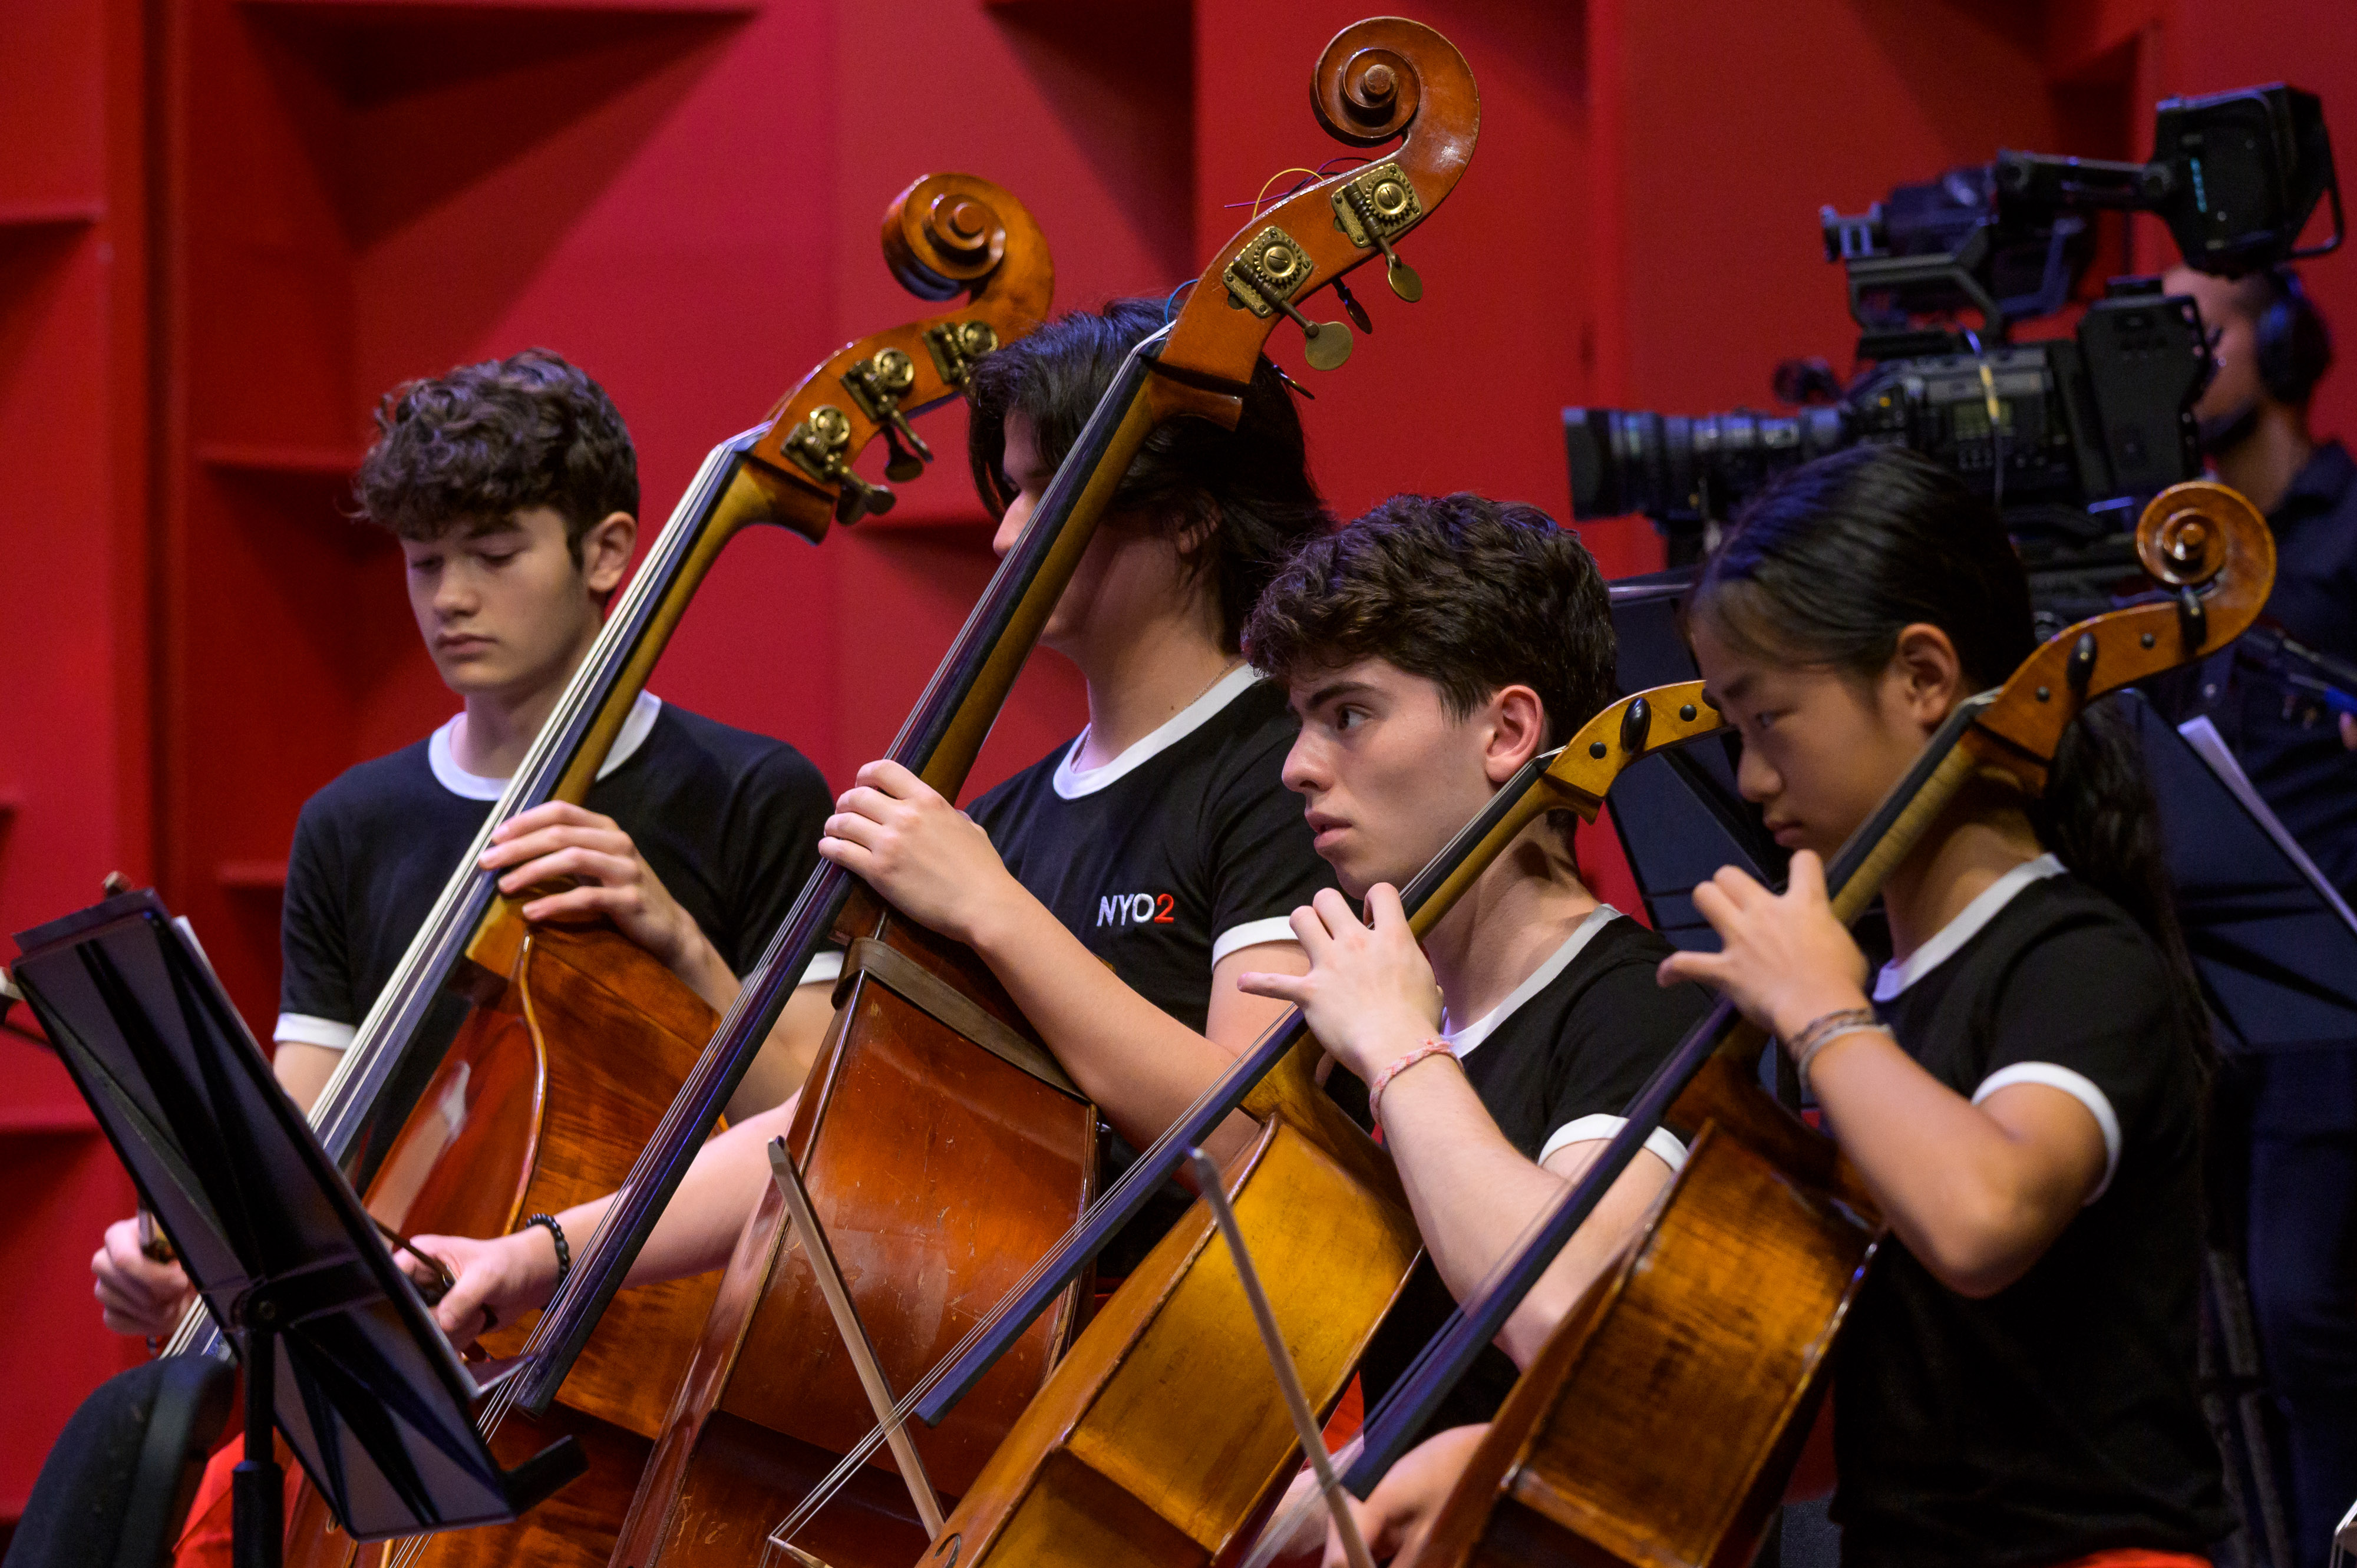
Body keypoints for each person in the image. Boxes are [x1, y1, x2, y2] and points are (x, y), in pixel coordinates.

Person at [410, 297, 1338, 1331]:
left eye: (1047, 490)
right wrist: (540, 1254)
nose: (1007, 531)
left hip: (1179, 1363)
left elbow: (1250, 1131)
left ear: (1189, 514)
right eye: (1012, 490)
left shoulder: (1288, 771)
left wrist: (992, 906)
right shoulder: (1001, 818)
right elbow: (823, 1128)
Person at [87, 348, 839, 1343]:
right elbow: (311, 1151)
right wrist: (191, 1265)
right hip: (416, 1346)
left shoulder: (749, 792)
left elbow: (822, 1124)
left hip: (662, 1343)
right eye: (425, 560)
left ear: (607, 553)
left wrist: (681, 943)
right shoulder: (353, 822)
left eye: (493, 554)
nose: (449, 598)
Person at [1653, 446, 2230, 1566]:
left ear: (1923, 677)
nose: (1752, 779)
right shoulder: (1873, 995)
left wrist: (1822, 1017)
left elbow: (1981, 1217)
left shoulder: (2073, 958)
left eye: (1770, 719)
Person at [1231, 493, 1712, 1562]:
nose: (1298, 766)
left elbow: (1578, 1312)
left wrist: (1406, 1054)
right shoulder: (1369, 1027)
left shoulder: (1643, 1001)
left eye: (1347, 714)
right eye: (1300, 720)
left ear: (1508, 732)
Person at [2165, 260, 2357, 1568]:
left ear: (2278, 342)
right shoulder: (2172, 554)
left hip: (2332, 994)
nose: (2174, 358)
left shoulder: (2353, 526)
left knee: (2300, 1307)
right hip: (2207, 993)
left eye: (2200, 326)